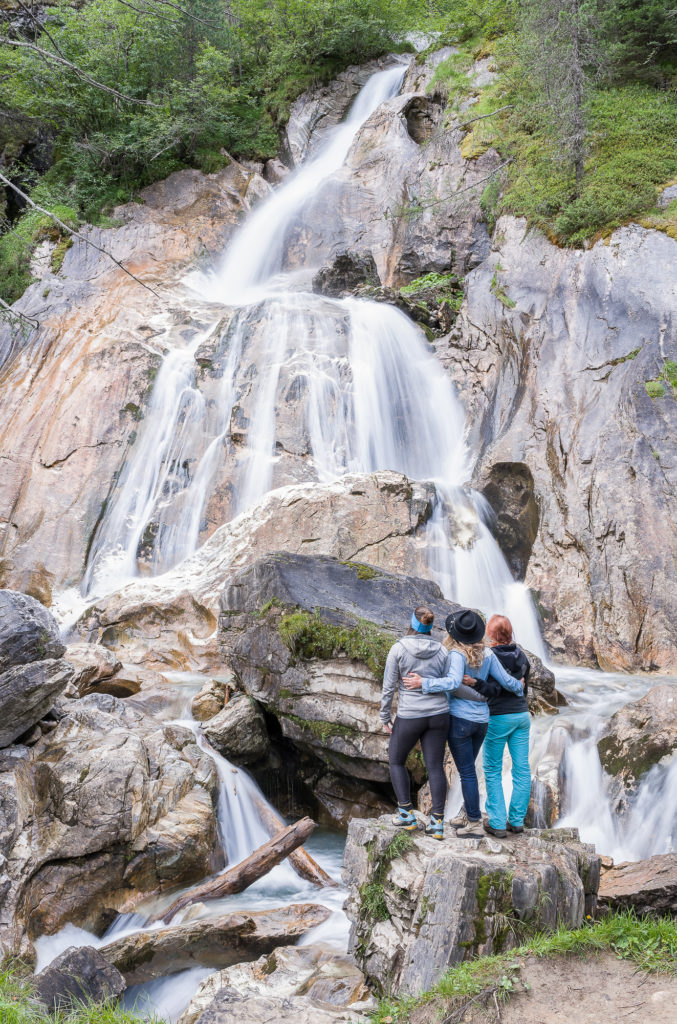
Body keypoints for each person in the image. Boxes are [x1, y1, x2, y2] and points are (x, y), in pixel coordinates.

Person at [402, 608, 523, 838]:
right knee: (468, 771)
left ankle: (475, 823)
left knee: (467, 773)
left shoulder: (457, 655)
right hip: (481, 722)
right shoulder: (488, 654)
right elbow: (507, 682)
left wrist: (423, 683)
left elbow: (452, 682)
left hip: (460, 722)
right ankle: (468, 814)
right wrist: (520, 687)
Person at [380, 605, 481, 841]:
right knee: (434, 766)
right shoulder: (443, 651)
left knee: (396, 760)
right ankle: (437, 823)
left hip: (410, 714)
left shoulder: (398, 649)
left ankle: (406, 813)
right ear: (430, 627)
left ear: (411, 624)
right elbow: (450, 683)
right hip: (439, 715)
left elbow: (388, 687)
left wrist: (385, 716)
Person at [474, 614, 531, 836]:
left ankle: (497, 822)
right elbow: (524, 688)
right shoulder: (522, 656)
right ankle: (516, 821)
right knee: (522, 769)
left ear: (492, 635)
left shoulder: (488, 656)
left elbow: (488, 688)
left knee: (492, 769)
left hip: (498, 717)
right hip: (522, 715)